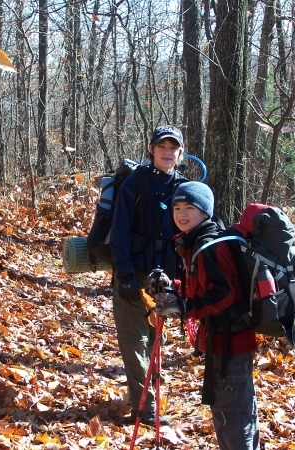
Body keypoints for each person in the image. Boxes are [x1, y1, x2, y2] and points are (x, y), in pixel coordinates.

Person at [152, 181, 260, 449]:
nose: (182, 213)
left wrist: (184, 307)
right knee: (239, 412)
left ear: (205, 212)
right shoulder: (196, 241)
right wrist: (172, 288)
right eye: (177, 207)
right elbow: (202, 287)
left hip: (230, 344)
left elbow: (223, 295)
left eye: (190, 207)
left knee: (231, 415)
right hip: (224, 340)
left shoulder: (210, 245)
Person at [108, 125, 186, 426]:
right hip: (133, 274)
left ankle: (148, 399)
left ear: (179, 152)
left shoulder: (184, 186)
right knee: (134, 341)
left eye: (173, 147)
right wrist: (125, 275)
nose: (167, 152)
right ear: (151, 149)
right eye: (162, 146)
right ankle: (147, 410)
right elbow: (120, 232)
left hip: (166, 280)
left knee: (156, 340)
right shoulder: (135, 183)